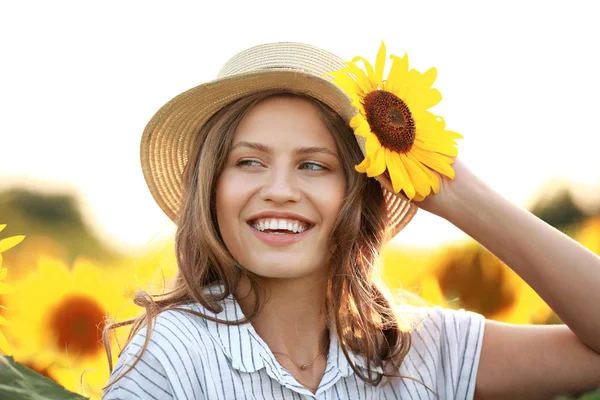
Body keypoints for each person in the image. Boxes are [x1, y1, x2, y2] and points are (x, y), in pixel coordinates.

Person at [102, 42, 600, 400]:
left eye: (314, 164)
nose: (278, 189)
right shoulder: (171, 358)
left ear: (358, 196)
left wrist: (457, 193)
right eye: (248, 161)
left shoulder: (416, 352)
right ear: (210, 190)